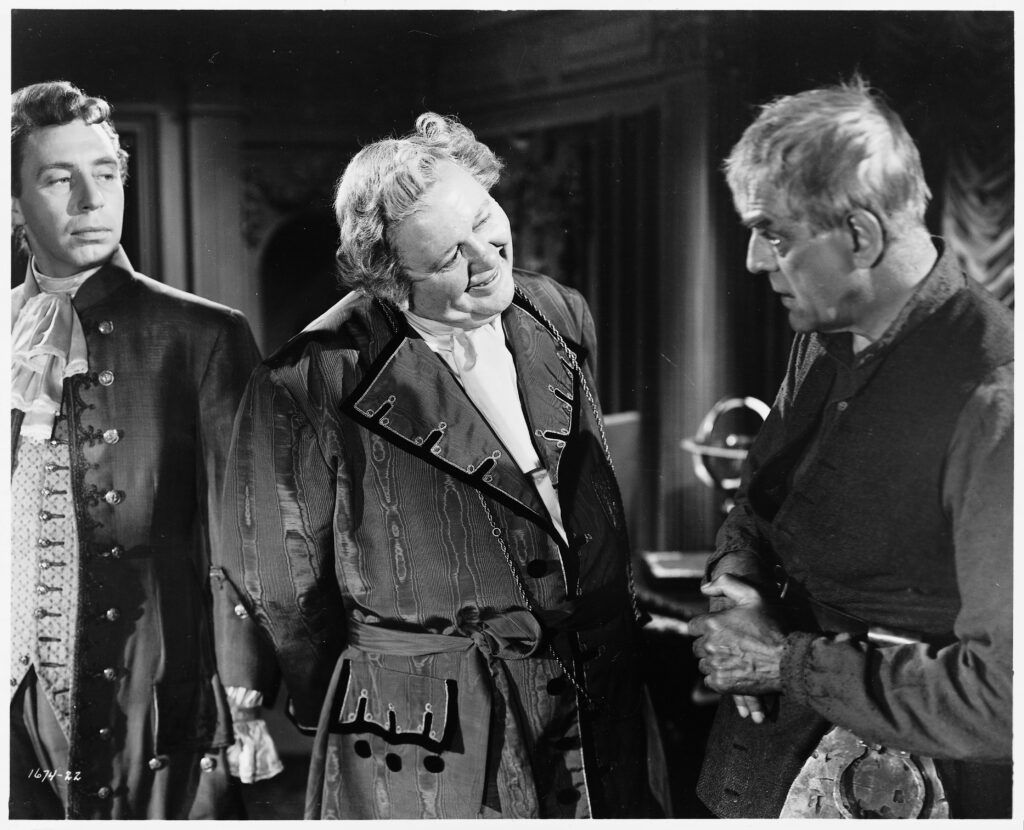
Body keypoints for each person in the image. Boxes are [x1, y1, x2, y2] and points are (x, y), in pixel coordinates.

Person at [218, 112, 668, 819]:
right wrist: (360, 683)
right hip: (431, 731)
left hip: (597, 700)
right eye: (449, 256)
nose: (489, 259)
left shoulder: (558, 309)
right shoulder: (309, 378)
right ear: (390, 278)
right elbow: (282, 588)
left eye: (485, 220)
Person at [688, 77, 1012, 819]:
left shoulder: (994, 399)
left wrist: (782, 662)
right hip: (763, 772)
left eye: (773, 233)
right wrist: (737, 582)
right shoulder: (823, 334)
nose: (754, 260)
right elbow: (761, 503)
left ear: (861, 236)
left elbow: (1006, 699)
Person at [10, 80, 281, 820]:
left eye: (105, 174)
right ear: (13, 206)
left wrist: (242, 687)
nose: (91, 200)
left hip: (148, 678)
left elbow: (246, 528)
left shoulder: (202, 336)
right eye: (58, 179)